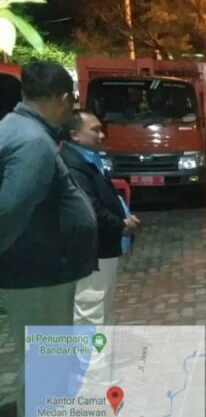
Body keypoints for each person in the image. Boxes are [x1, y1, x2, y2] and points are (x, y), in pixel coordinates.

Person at [0, 61, 98, 417]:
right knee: (46, 360)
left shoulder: (15, 128)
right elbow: (10, 209)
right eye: (70, 101)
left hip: (33, 271)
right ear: (61, 98)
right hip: (38, 274)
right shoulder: (33, 142)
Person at [61, 110, 141, 325]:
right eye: (95, 130)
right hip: (93, 250)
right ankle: (92, 349)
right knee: (91, 310)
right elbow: (89, 206)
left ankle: (102, 346)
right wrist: (121, 224)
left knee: (101, 305)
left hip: (104, 246)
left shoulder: (88, 158)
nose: (102, 135)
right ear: (75, 135)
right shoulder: (72, 164)